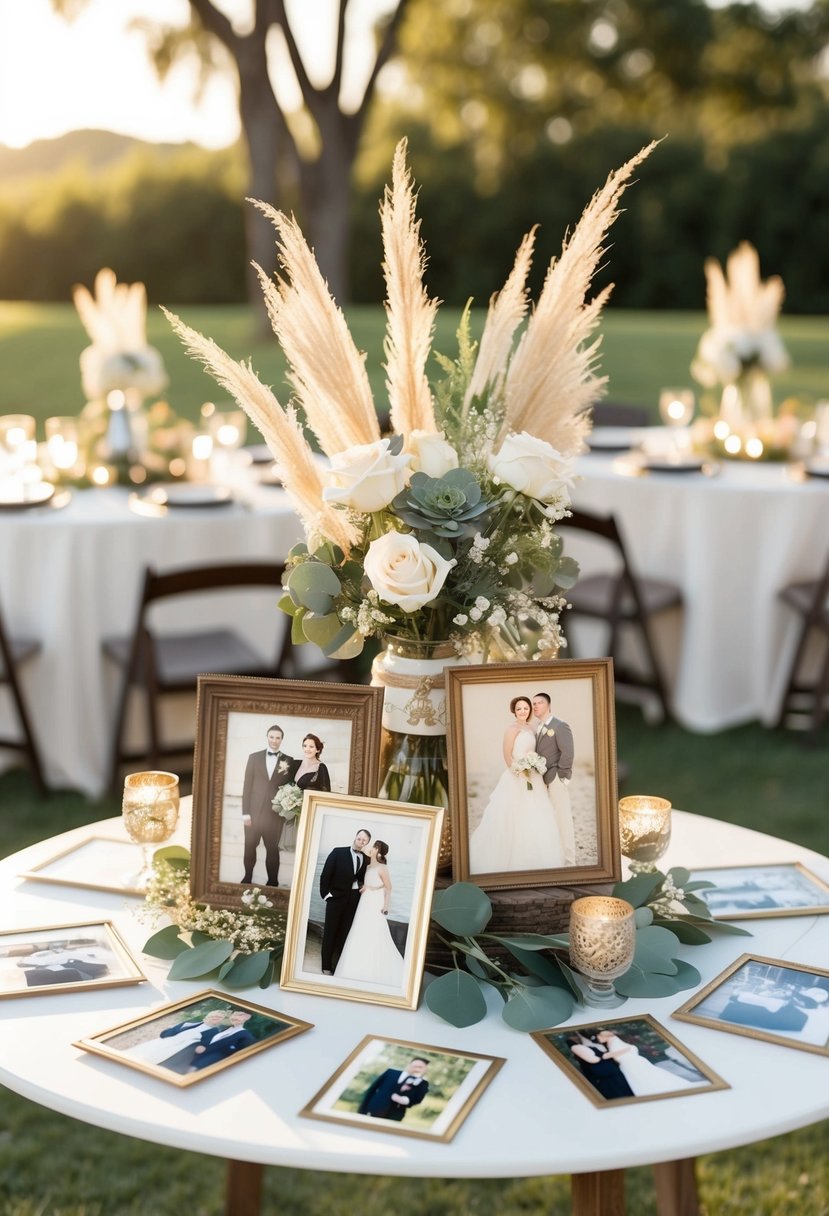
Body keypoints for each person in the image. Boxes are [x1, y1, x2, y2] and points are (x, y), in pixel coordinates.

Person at [469, 696, 565, 874]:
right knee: (512, 813)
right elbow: (507, 755)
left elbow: (534, 751)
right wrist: (519, 771)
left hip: (533, 776)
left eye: (526, 708)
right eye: (519, 708)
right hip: (516, 775)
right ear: (514, 711)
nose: (523, 711)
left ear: (529, 710)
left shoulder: (532, 728)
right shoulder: (511, 729)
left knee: (537, 811)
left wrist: (534, 766)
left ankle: (538, 856)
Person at [335, 840, 405, 986]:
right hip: (365, 900)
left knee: (374, 930)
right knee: (359, 929)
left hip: (375, 902)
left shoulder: (382, 867)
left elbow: (389, 887)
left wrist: (386, 906)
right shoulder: (368, 865)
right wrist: (366, 887)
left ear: (379, 852)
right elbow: (371, 882)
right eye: (372, 846)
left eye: (375, 847)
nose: (371, 849)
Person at [241, 724, 298, 887]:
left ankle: (273, 881)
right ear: (267, 737)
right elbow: (247, 785)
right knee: (249, 846)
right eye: (272, 737)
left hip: (274, 815)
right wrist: (245, 813)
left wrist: (286, 812)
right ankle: (247, 877)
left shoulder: (288, 761)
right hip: (252, 813)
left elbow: (290, 787)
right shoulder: (254, 757)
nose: (274, 740)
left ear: (282, 740)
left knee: (272, 850)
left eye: (278, 738)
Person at [532, 692, 576, 865]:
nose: (536, 706)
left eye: (539, 702)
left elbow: (568, 752)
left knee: (563, 816)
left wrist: (563, 776)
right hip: (543, 779)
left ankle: (569, 860)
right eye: (534, 703)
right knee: (549, 817)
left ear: (549, 705)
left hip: (557, 777)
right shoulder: (538, 727)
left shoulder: (560, 726)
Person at [319, 828, 371, 975]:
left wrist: (362, 886)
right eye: (359, 838)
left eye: (364, 840)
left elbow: (361, 878)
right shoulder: (338, 852)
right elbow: (325, 875)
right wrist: (326, 895)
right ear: (355, 837)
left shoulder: (366, 859)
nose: (361, 842)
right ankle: (326, 966)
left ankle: (340, 967)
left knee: (345, 933)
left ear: (367, 843)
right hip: (335, 899)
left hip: (354, 900)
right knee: (330, 932)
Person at [595, 1029, 696, 1095]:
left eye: (598, 1037)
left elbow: (616, 1052)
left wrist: (604, 1056)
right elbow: (631, 1048)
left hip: (630, 1063)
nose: (598, 1040)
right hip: (635, 1061)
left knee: (640, 1077)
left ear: (604, 1036)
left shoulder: (612, 1040)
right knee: (649, 1074)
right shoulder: (618, 1040)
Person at [126, 1009, 229, 1068]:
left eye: (218, 1017)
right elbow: (169, 1032)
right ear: (207, 1016)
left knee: (152, 1059)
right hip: (165, 1041)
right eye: (213, 1015)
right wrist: (167, 1033)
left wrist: (201, 1046)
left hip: (178, 1049)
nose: (215, 1018)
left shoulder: (214, 1032)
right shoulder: (191, 1023)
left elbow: (204, 1045)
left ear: (220, 1021)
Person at [358, 1057, 430, 1121]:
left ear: (425, 1069)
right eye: (415, 1066)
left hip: (395, 1115)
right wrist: (362, 1110)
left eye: (420, 1067)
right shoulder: (391, 1073)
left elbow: (418, 1099)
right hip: (374, 1109)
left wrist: (405, 1100)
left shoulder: (422, 1083)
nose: (416, 1068)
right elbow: (371, 1090)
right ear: (409, 1065)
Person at [567, 1033, 634, 1100]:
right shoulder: (577, 1048)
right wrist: (609, 1055)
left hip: (613, 1071)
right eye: (573, 1038)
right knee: (617, 1093)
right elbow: (594, 1060)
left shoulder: (592, 1046)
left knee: (624, 1089)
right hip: (603, 1075)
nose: (576, 1038)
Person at [189, 1010, 256, 1070]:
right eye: (234, 1014)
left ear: (248, 1017)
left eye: (239, 1015)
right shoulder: (221, 1030)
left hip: (208, 1068)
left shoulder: (246, 1037)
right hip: (192, 1060)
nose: (235, 1017)